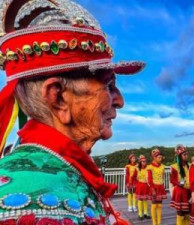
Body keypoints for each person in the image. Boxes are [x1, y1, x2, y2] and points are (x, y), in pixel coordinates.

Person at [0, 0, 145, 224]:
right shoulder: (36, 196)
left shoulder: (61, 167)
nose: (120, 101)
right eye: (108, 85)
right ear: (58, 97)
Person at [170, 144, 190, 225]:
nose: (186, 156)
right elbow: (172, 180)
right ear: (179, 156)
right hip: (180, 192)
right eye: (184, 154)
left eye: (187, 154)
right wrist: (178, 183)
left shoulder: (189, 166)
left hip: (188, 191)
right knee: (180, 213)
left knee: (187, 214)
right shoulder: (174, 166)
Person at [147, 148, 167, 225]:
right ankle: (154, 222)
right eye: (159, 157)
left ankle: (159, 222)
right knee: (154, 205)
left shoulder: (162, 166)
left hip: (160, 187)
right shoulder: (150, 167)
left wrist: (162, 185)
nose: (160, 159)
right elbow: (149, 179)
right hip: (154, 187)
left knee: (159, 205)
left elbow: (163, 176)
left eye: (161, 158)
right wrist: (152, 189)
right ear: (154, 158)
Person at [135, 155, 151, 220]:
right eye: (143, 161)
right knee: (140, 199)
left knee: (146, 199)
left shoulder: (148, 168)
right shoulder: (137, 168)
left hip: (146, 185)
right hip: (140, 185)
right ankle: (140, 213)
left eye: (145, 161)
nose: (144, 162)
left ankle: (146, 213)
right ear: (140, 162)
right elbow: (133, 176)